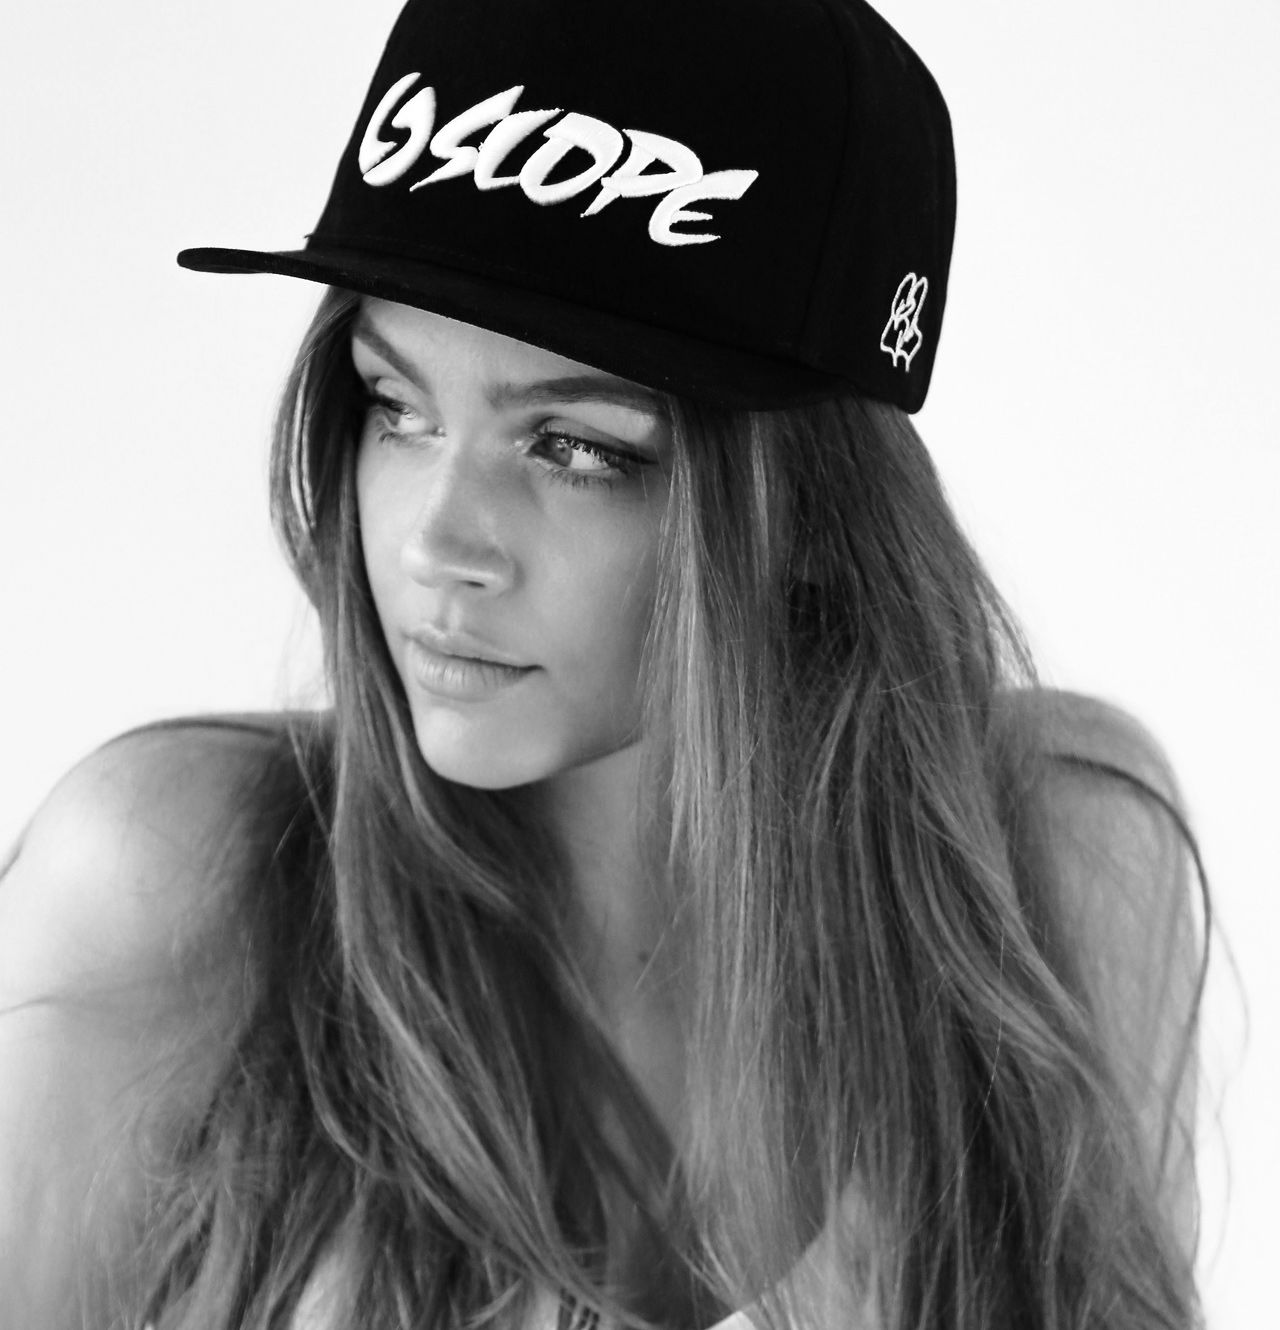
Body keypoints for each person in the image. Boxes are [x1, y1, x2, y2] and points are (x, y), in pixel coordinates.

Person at [0, 1, 1208, 1327]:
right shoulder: (168, 882)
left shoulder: (1056, 863)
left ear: (814, 514)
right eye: (396, 406)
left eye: (578, 448)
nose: (436, 543)